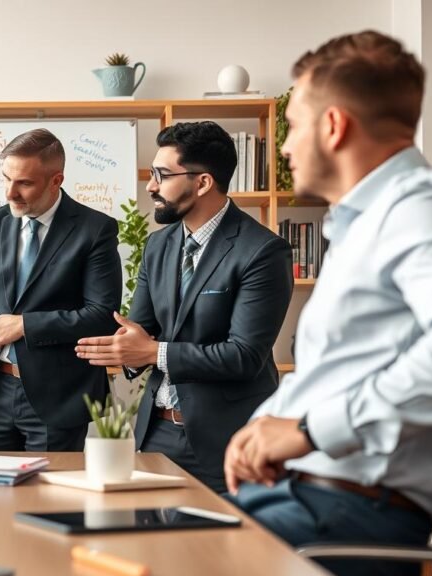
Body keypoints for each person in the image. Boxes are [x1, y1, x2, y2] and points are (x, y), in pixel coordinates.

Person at [222, 31, 432, 576]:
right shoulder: (364, 225)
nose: (286, 148)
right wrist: (262, 426)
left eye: (293, 126)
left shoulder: (426, 209)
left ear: (335, 126)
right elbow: (340, 367)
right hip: (308, 500)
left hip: (343, 516)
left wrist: (311, 430)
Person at [75, 121, 293, 493]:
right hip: (155, 432)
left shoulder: (262, 251)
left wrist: (152, 352)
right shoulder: (157, 246)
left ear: (203, 182)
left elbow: (243, 356)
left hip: (226, 439)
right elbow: (140, 331)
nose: (151, 186)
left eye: (162, 175)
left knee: (220, 550)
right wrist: (126, 350)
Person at [0, 129, 122, 451]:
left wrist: (25, 325)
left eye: (24, 183)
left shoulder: (95, 230)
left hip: (58, 398)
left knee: (49, 501)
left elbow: (102, 317)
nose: (10, 193)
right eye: (6, 179)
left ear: (56, 180)